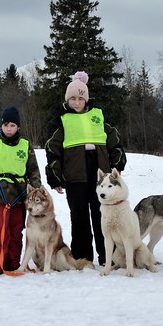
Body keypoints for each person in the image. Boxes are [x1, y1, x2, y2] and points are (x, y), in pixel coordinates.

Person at [44, 71, 126, 266]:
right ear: (67, 99)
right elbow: (52, 149)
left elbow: (114, 141)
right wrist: (55, 176)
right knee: (79, 216)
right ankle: (82, 257)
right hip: (74, 173)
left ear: (86, 99)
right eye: (73, 98)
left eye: (81, 98)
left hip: (100, 174)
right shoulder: (61, 119)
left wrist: (117, 163)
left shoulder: (98, 115)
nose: (77, 102)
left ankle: (108, 256)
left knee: (102, 215)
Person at [0, 106, 42, 276]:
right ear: (1, 125)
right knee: (0, 230)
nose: (9, 129)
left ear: (18, 127)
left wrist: (36, 192)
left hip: (20, 194)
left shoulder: (26, 146)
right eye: (6, 125)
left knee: (16, 230)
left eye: (12, 125)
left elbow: (33, 171)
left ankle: (12, 262)